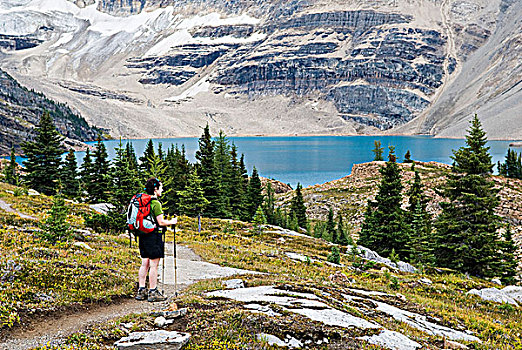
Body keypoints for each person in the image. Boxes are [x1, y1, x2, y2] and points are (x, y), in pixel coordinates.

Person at [135, 177, 177, 302]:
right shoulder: (155, 203)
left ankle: (141, 290)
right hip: (153, 236)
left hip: (142, 235)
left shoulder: (141, 201)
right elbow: (161, 222)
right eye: (161, 187)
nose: (162, 190)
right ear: (155, 189)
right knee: (154, 265)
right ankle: (153, 291)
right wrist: (172, 222)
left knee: (144, 263)